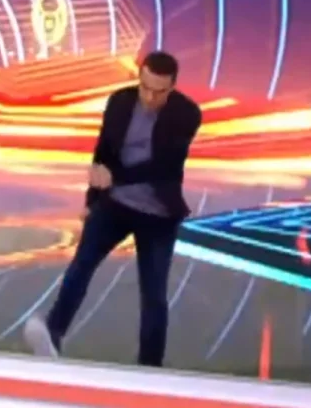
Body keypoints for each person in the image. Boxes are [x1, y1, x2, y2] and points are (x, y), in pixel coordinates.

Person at [23, 51, 201, 368]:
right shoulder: (120, 101)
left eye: (159, 92)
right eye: (145, 87)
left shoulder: (186, 113)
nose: (150, 97)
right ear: (139, 78)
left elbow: (163, 165)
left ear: (172, 87)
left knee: (154, 293)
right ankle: (52, 333)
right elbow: (102, 153)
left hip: (158, 215)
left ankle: (149, 368)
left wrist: (114, 176)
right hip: (114, 205)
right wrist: (92, 200)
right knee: (81, 266)